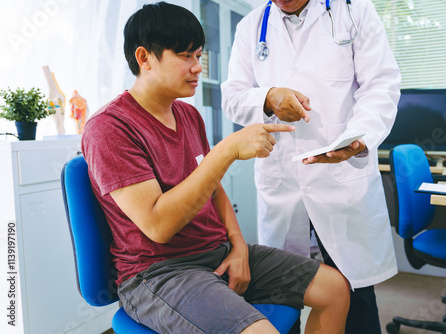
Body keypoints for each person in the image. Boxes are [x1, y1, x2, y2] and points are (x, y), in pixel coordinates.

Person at [81, 2, 350, 333]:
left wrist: (237, 246)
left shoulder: (189, 116)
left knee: (335, 288)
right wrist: (226, 151)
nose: (198, 67)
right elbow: (158, 226)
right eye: (185, 56)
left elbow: (213, 189)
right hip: (160, 271)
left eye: (199, 55)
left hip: (216, 252)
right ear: (144, 58)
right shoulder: (109, 128)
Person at [221, 0, 401, 333]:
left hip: (342, 178)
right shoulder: (251, 27)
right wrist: (268, 97)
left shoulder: (355, 11)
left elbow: (381, 84)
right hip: (283, 182)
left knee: (356, 294)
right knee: (281, 294)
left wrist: (359, 136)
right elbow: (232, 96)